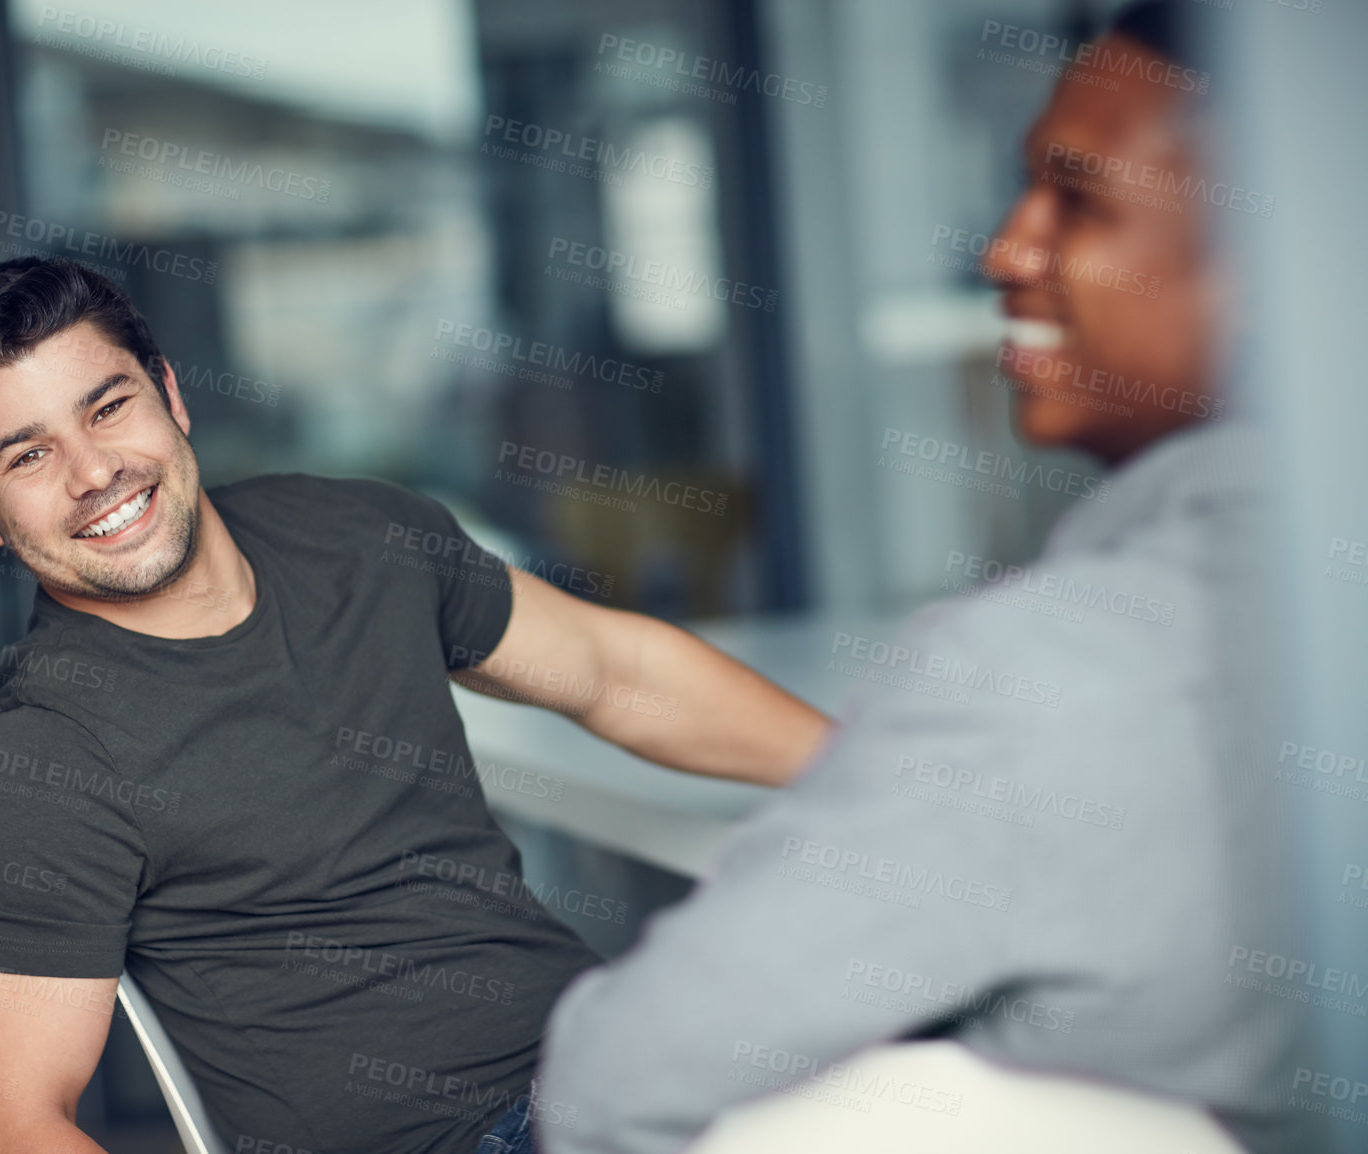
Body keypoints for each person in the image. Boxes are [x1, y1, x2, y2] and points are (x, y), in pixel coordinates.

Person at [535, 3, 1317, 1153]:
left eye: (1079, 199)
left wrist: (917, 783)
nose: (1004, 248)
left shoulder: (1044, 677)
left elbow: (612, 1089)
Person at [0, 254, 832, 1154]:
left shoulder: (357, 534)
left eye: (109, 407)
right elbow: (5, 1126)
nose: (94, 471)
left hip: (617, 1062)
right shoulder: (35, 766)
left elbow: (610, 669)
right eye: (27, 457)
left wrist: (880, 770)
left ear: (170, 395)